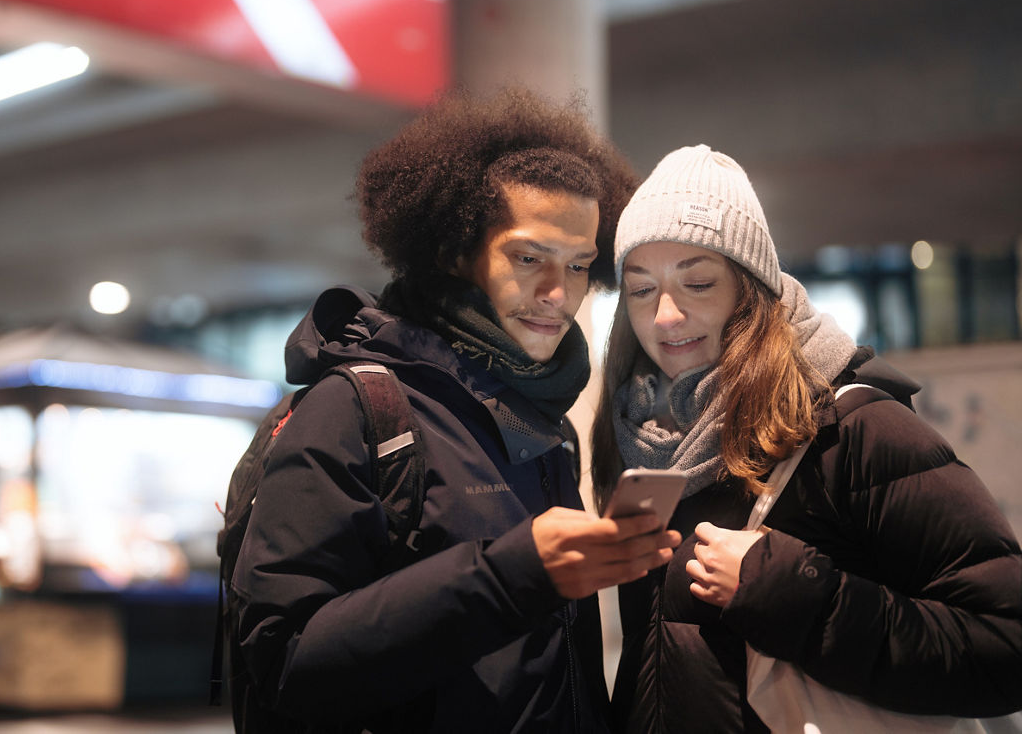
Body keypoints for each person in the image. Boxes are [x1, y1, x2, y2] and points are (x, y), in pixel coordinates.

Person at [231, 88, 680, 733]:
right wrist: (510, 574)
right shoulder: (355, 410)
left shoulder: (544, 422)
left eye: (579, 266)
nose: (559, 295)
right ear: (452, 249)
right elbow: (286, 661)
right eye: (528, 259)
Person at [591, 144, 1022, 731]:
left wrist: (788, 588)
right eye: (642, 289)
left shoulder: (854, 428)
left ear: (751, 287)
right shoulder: (639, 434)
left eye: (697, 282)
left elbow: (1005, 642)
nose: (665, 315)